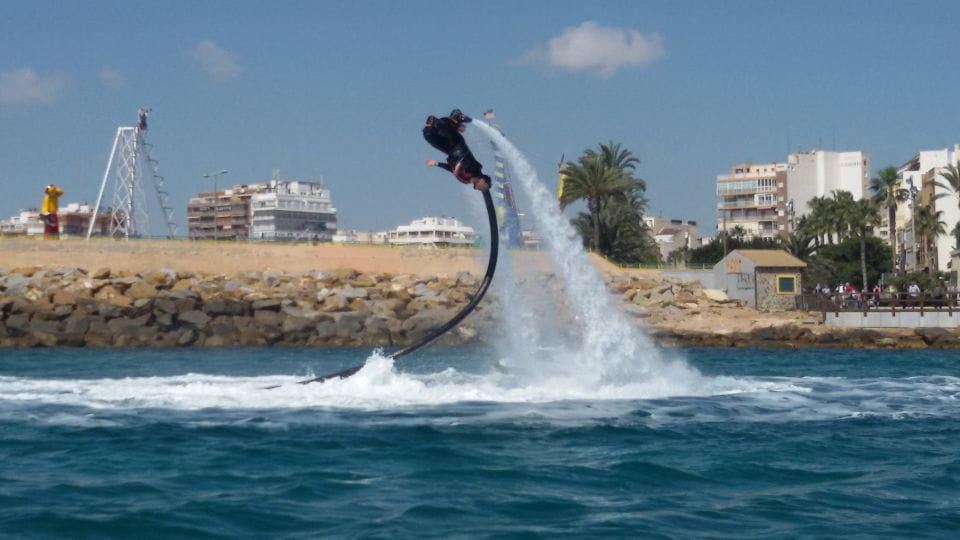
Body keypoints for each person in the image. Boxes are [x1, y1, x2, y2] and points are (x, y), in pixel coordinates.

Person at [423, 109, 491, 191]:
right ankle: (453, 120)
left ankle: (432, 127)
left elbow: (451, 169)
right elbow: (467, 159)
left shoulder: (465, 181)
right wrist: (459, 166)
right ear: (483, 180)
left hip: (450, 152)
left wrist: (437, 164)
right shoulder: (477, 169)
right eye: (485, 187)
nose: (482, 190)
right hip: (459, 145)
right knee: (448, 132)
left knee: (428, 136)